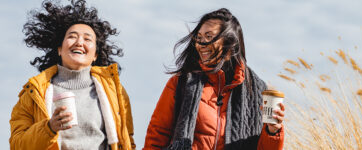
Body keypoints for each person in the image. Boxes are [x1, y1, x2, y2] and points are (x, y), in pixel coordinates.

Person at [143, 8, 285, 150]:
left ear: (230, 44)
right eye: (199, 38)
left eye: (209, 37)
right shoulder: (181, 83)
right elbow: (157, 135)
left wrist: (272, 131)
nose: (200, 44)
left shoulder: (256, 90)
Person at [9, 0, 135, 149]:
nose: (79, 42)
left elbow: (127, 141)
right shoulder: (33, 93)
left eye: (87, 39)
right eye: (72, 36)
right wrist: (49, 128)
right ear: (59, 49)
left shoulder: (115, 91)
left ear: (95, 55)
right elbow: (17, 144)